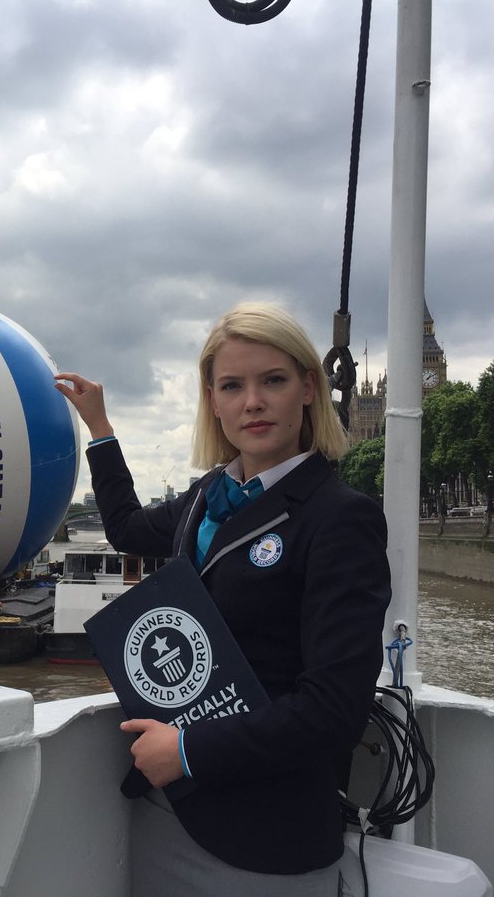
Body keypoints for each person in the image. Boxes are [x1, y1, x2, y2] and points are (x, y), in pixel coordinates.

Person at [55, 302, 391, 895]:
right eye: (231, 385)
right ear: (212, 400)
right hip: (167, 812)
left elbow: (335, 709)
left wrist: (188, 749)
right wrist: (100, 431)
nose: (252, 402)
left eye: (274, 381)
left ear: (309, 388)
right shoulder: (209, 494)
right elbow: (128, 529)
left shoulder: (341, 519)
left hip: (267, 832)